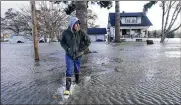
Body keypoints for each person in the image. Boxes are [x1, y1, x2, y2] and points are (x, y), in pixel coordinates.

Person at [60, 16, 91, 95]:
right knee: (69, 70)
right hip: (69, 55)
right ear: (72, 24)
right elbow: (62, 42)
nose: (77, 26)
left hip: (78, 55)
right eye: (76, 24)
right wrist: (67, 48)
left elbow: (88, 41)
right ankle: (67, 89)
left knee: (77, 69)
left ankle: (77, 81)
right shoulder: (65, 32)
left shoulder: (81, 32)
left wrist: (81, 49)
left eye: (78, 24)